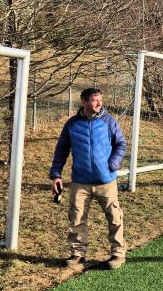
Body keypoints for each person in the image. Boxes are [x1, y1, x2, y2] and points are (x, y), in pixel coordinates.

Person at [49, 88, 127, 269]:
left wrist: (113, 164)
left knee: (114, 217)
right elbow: (61, 150)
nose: (99, 103)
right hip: (80, 182)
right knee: (76, 218)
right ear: (83, 102)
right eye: (94, 100)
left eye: (100, 99)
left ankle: (117, 254)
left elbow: (121, 144)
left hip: (106, 181)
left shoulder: (109, 121)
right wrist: (55, 175)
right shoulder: (72, 124)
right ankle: (77, 254)